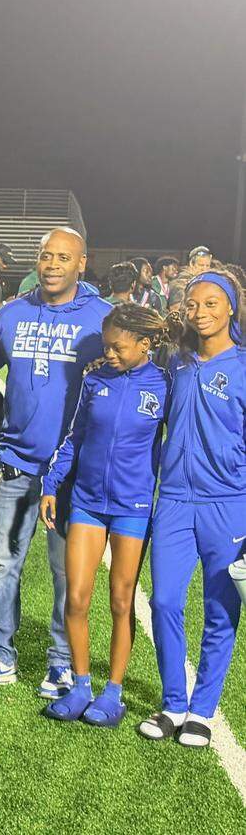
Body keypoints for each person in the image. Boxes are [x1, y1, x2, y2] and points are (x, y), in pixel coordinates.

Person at [0, 226, 111, 697]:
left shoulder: (101, 318)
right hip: (16, 463)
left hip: (72, 473)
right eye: (46, 256)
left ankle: (62, 662)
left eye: (63, 257)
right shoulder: (11, 313)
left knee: (68, 572)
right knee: (3, 564)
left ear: (81, 263)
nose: (52, 265)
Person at [39, 304, 169, 726]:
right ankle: (81, 686)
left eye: (117, 347)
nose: (109, 353)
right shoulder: (94, 380)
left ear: (144, 344)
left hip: (133, 507)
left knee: (120, 601)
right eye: (106, 346)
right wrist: (51, 484)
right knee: (76, 597)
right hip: (88, 502)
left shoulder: (165, 384)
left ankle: (113, 693)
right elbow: (74, 437)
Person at [139, 271, 246, 748]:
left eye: (211, 303)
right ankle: (172, 703)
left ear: (231, 308)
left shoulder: (243, 366)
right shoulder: (176, 363)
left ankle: (201, 711)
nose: (201, 312)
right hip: (175, 501)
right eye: (193, 304)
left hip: (230, 503)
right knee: (164, 601)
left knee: (220, 610)